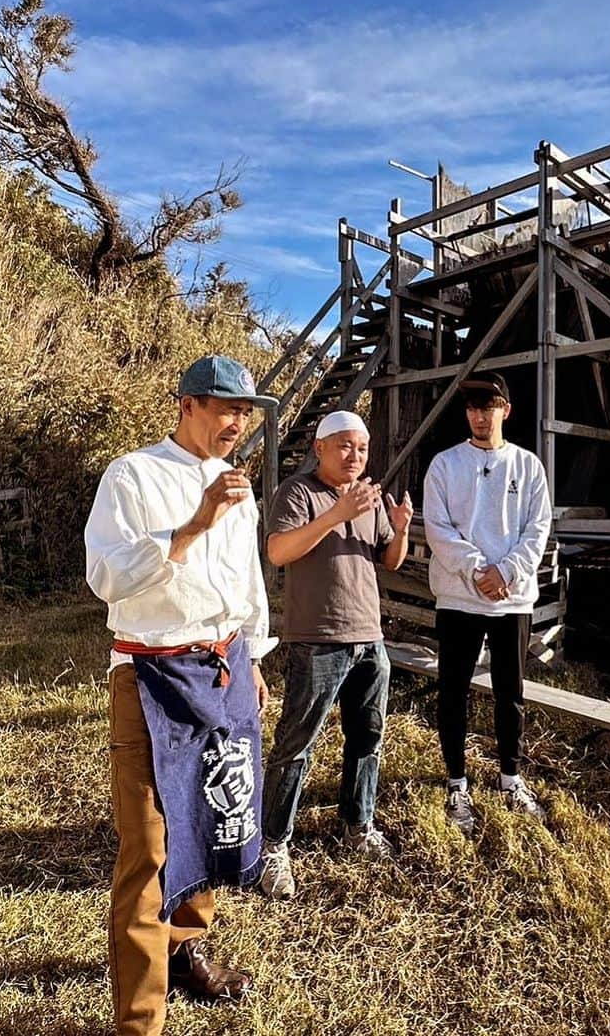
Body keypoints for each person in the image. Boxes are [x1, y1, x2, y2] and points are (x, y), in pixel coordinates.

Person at [84, 354, 277, 1035]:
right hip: (152, 675)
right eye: (226, 408)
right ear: (187, 404)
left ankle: (187, 949)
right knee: (149, 848)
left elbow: (245, 578)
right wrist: (190, 526)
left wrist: (251, 651)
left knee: (214, 820)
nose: (237, 423)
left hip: (223, 670)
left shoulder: (238, 487)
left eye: (246, 412)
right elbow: (107, 577)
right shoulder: (132, 475)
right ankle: (140, 1022)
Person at [258, 409, 413, 900]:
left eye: (362, 448)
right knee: (295, 745)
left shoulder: (368, 498)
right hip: (317, 639)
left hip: (369, 638)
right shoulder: (298, 492)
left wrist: (401, 527)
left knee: (367, 739)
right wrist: (335, 515)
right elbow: (279, 551)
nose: (355, 455)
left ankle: (357, 825)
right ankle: (273, 846)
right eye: (344, 445)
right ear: (320, 448)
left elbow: (389, 560)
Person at [422, 371, 552, 837]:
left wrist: (507, 571)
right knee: (453, 690)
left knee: (509, 693)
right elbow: (438, 528)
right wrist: (478, 570)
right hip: (460, 597)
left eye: (489, 405)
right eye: (473, 407)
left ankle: (510, 777)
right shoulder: (444, 465)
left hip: (511, 600)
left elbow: (537, 530)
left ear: (506, 410)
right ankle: (457, 782)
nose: (480, 414)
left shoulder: (527, 466)